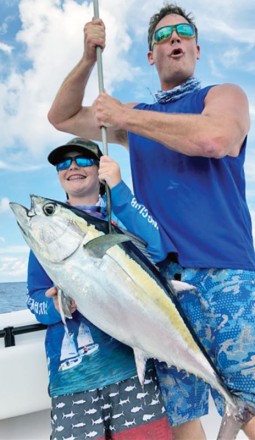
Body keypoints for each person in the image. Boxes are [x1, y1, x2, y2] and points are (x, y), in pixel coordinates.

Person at [47, 3, 255, 440]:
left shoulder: (224, 95)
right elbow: (62, 117)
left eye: (183, 32)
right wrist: (88, 58)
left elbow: (216, 138)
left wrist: (123, 116)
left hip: (227, 274)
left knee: (250, 408)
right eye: (163, 35)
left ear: (196, 47)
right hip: (160, 286)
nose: (174, 38)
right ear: (151, 55)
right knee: (183, 418)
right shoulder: (134, 120)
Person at [26, 137, 172, 440]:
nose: (73, 167)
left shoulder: (119, 219)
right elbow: (34, 300)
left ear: (99, 167)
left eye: (82, 159)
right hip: (72, 380)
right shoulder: (47, 233)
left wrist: (118, 189)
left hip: (132, 371)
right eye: (63, 163)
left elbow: (156, 250)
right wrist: (53, 307)